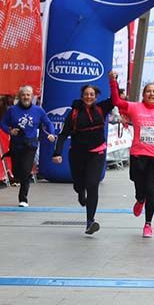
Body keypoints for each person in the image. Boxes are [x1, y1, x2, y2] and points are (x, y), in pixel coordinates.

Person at [110, 71, 154, 238]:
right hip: (138, 154)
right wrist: (113, 81)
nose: (151, 94)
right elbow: (116, 101)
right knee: (140, 189)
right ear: (143, 94)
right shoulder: (135, 107)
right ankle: (140, 199)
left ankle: (148, 224)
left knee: (151, 189)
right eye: (148, 91)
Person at [51, 80, 115, 234]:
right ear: (82, 96)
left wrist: (113, 81)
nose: (89, 97)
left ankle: (90, 222)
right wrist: (57, 152)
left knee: (93, 184)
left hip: (97, 152)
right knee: (79, 184)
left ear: (96, 96)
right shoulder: (73, 113)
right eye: (86, 94)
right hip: (78, 154)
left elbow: (115, 100)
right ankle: (80, 191)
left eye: (92, 94)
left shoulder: (101, 108)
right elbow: (64, 134)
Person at [0, 86, 56, 207]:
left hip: (31, 144)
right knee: (17, 172)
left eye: (28, 95)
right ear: (20, 96)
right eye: (23, 95)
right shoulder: (12, 110)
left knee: (25, 170)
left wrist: (52, 133)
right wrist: (10, 131)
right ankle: (19, 177)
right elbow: (2, 123)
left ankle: (23, 198)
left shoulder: (38, 110)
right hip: (16, 144)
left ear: (32, 96)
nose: (26, 97)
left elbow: (48, 123)